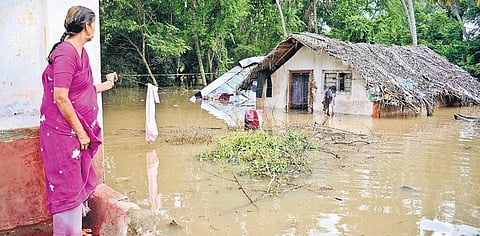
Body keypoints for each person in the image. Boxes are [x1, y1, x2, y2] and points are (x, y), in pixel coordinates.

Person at [39, 6, 118, 235]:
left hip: (74, 132)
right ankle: (67, 232)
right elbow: (61, 98)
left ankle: (73, 228)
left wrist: (108, 84)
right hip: (64, 133)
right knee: (66, 185)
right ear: (87, 26)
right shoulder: (67, 53)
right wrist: (82, 133)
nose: (95, 28)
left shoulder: (80, 52)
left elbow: (81, 91)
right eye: (94, 24)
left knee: (76, 181)